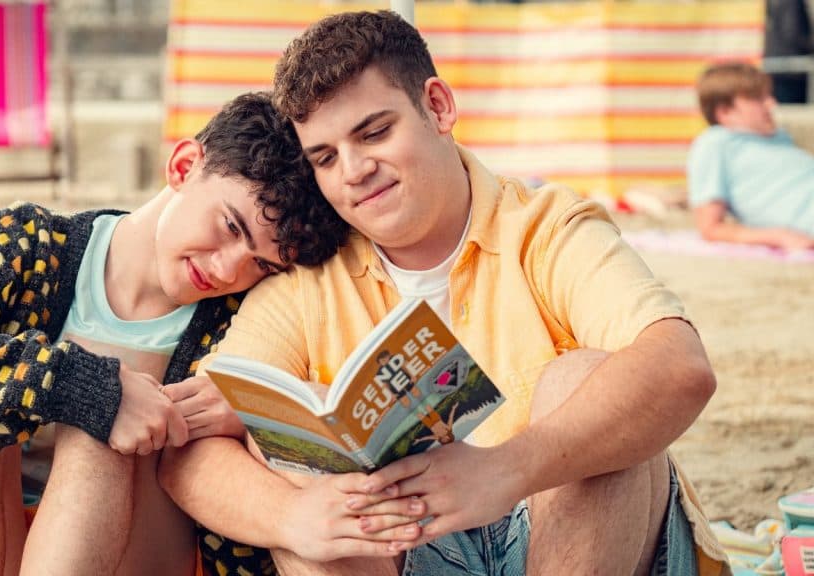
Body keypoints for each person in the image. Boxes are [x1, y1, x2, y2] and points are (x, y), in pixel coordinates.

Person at [159, 10, 730, 576]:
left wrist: (504, 469)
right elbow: (189, 454)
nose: (354, 171)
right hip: (408, 548)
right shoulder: (311, 277)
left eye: (374, 132)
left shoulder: (546, 226)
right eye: (326, 158)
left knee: (580, 380)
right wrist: (291, 517)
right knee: (286, 442)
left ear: (438, 106)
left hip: (569, 526)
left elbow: (680, 366)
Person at [0, 92, 349, 576]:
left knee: (103, 432)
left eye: (260, 264)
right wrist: (79, 385)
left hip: (141, 549)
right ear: (182, 166)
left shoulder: (242, 319)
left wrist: (249, 409)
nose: (225, 270)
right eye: (230, 226)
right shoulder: (30, 247)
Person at [688, 61, 814, 250]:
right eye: (758, 98)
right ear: (725, 112)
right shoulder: (716, 143)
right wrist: (778, 236)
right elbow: (710, 227)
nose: (772, 103)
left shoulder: (780, 137)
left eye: (768, 95)